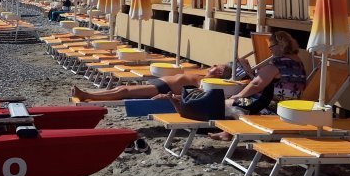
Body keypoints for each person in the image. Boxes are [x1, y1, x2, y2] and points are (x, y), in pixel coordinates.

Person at [204, 30, 307, 139]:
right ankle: (227, 132)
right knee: (240, 100)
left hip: (271, 107)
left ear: (280, 45)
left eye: (271, 47)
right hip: (289, 107)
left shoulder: (278, 63)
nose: (270, 50)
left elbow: (257, 84)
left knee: (227, 103)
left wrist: (238, 96)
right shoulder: (298, 62)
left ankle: (236, 130)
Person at [71, 63, 235, 101]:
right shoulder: (204, 75)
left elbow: (195, 93)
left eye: (215, 67)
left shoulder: (208, 82)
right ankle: (89, 95)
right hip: (160, 83)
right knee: (122, 88)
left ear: (219, 73)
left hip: (164, 88)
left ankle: (87, 95)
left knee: (125, 92)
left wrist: (171, 97)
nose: (212, 66)